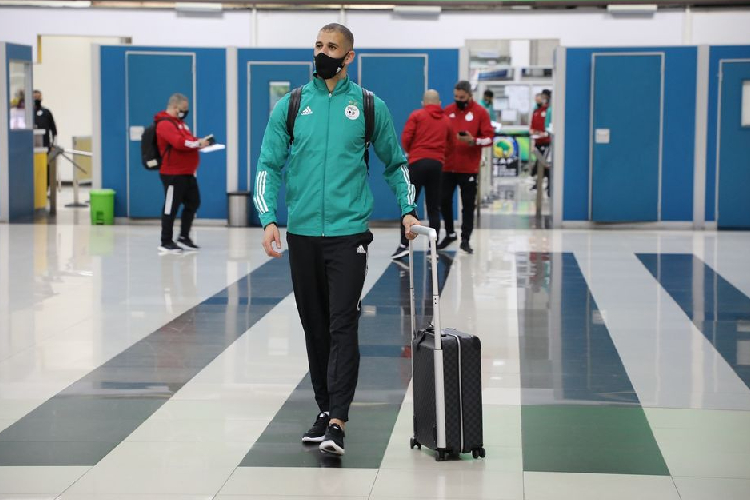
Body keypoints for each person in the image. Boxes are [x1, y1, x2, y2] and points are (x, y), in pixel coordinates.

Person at [253, 23, 419, 457]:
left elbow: (396, 163)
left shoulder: (368, 106)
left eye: (332, 47)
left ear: (349, 57)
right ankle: (325, 409)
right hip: (303, 234)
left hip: (349, 235)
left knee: (342, 323)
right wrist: (268, 218)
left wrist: (407, 207)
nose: (322, 53)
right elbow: (268, 164)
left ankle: (338, 421)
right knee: (314, 326)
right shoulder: (291, 105)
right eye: (318, 45)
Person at [392, 89, 453, 260]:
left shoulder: (417, 115)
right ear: (439, 103)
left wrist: (412, 152)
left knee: (409, 204)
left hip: (417, 163)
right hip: (437, 165)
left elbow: (406, 137)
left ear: (423, 103)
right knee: (434, 207)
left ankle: (404, 245)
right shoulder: (446, 120)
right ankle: (432, 249)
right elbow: (452, 144)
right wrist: (441, 156)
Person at [438, 81, 494, 254]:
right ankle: (449, 233)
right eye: (456, 97)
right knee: (443, 201)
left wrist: (473, 140)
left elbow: (489, 138)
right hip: (447, 166)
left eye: (462, 97)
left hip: (469, 168)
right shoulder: (448, 111)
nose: (458, 100)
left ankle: (465, 239)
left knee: (468, 205)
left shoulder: (480, 112)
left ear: (470, 95)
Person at [154, 93, 209, 253]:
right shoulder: (164, 124)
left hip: (187, 172)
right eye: (183, 109)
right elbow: (179, 143)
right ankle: (166, 241)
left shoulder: (181, 124)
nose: (185, 111)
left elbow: (189, 140)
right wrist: (197, 143)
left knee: (193, 202)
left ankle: (184, 237)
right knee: (170, 207)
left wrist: (201, 142)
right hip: (173, 174)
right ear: (174, 106)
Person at [530, 90, 551, 194]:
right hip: (538, 141)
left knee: (543, 163)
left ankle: (543, 184)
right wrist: (534, 135)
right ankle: (540, 183)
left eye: (542, 97)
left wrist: (545, 133)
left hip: (546, 141)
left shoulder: (548, 110)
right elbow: (532, 126)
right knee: (541, 163)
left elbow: (548, 127)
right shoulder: (536, 111)